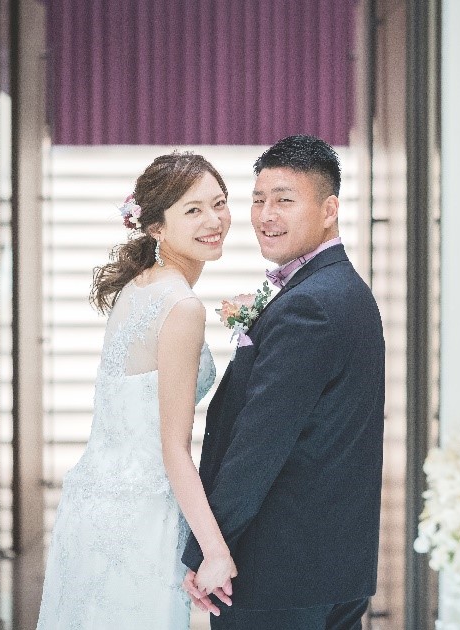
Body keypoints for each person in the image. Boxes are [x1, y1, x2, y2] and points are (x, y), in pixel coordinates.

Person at [181, 135, 386, 630]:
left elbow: (259, 445)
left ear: (329, 210)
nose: (265, 215)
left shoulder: (310, 305)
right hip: (330, 570)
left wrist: (210, 547)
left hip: (279, 576)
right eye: (258, 200)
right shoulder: (344, 290)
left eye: (284, 200)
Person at [36, 152, 237, 629]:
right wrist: (215, 550)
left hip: (93, 500)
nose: (214, 221)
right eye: (193, 210)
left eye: (219, 203)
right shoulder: (182, 305)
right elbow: (173, 448)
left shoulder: (140, 286)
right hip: (142, 513)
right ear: (156, 227)